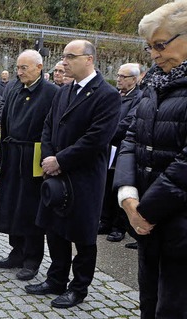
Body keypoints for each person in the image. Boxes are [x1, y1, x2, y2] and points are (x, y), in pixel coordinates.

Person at [25, 40, 120, 309]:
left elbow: (97, 139)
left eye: (70, 57)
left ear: (89, 59)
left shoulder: (106, 95)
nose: (64, 62)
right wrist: (48, 157)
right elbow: (48, 126)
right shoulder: (64, 91)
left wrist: (60, 160)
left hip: (83, 178)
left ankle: (78, 288)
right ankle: (56, 279)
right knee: (55, 229)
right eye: (63, 57)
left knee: (82, 234)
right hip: (55, 174)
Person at [113, 2, 187, 316]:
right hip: (148, 220)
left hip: (177, 223)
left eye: (160, 45)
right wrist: (127, 195)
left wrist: (146, 211)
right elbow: (132, 136)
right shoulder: (155, 82)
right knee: (150, 302)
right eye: (149, 47)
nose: (154, 55)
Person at [0, 50, 58, 281]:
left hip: (34, 155)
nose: (19, 72)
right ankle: (16, 252)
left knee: (30, 208)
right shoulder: (13, 88)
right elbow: (5, 124)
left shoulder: (51, 92)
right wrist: (3, 153)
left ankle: (32, 259)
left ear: (39, 67)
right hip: (13, 154)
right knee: (12, 204)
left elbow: (52, 129)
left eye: (24, 68)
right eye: (18, 67)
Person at [99, 63, 143, 244]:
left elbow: (128, 122)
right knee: (106, 185)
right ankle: (105, 221)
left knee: (119, 186)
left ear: (134, 79)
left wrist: (106, 132)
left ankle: (119, 227)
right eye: (118, 75)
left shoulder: (139, 98)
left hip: (122, 148)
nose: (118, 79)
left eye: (123, 76)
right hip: (109, 147)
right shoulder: (116, 95)